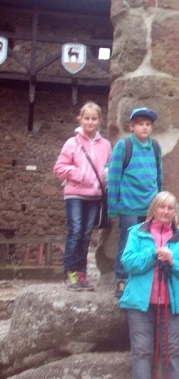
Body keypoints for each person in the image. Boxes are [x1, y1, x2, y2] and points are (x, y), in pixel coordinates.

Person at [119, 191, 179, 379]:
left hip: (171, 303)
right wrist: (153, 255)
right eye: (162, 207)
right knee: (142, 353)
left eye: (170, 208)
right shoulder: (137, 233)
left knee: (171, 353)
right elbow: (128, 263)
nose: (166, 211)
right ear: (153, 209)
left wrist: (173, 261)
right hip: (140, 304)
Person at [54, 101, 112, 292]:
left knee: (86, 235)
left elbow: (108, 167)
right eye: (86, 118)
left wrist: (107, 175)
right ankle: (70, 274)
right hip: (75, 195)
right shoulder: (72, 143)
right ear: (80, 119)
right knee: (76, 231)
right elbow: (59, 168)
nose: (90, 122)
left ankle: (81, 274)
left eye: (94, 118)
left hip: (95, 196)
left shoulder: (105, 145)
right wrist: (81, 175)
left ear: (99, 121)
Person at [108, 107, 163, 298]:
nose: (145, 127)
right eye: (140, 124)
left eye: (148, 124)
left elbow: (159, 176)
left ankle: (141, 280)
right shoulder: (124, 146)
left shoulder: (155, 146)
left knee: (148, 244)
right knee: (127, 243)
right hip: (129, 206)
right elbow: (114, 177)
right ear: (132, 127)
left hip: (150, 207)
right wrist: (112, 207)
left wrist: (160, 202)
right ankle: (122, 279)